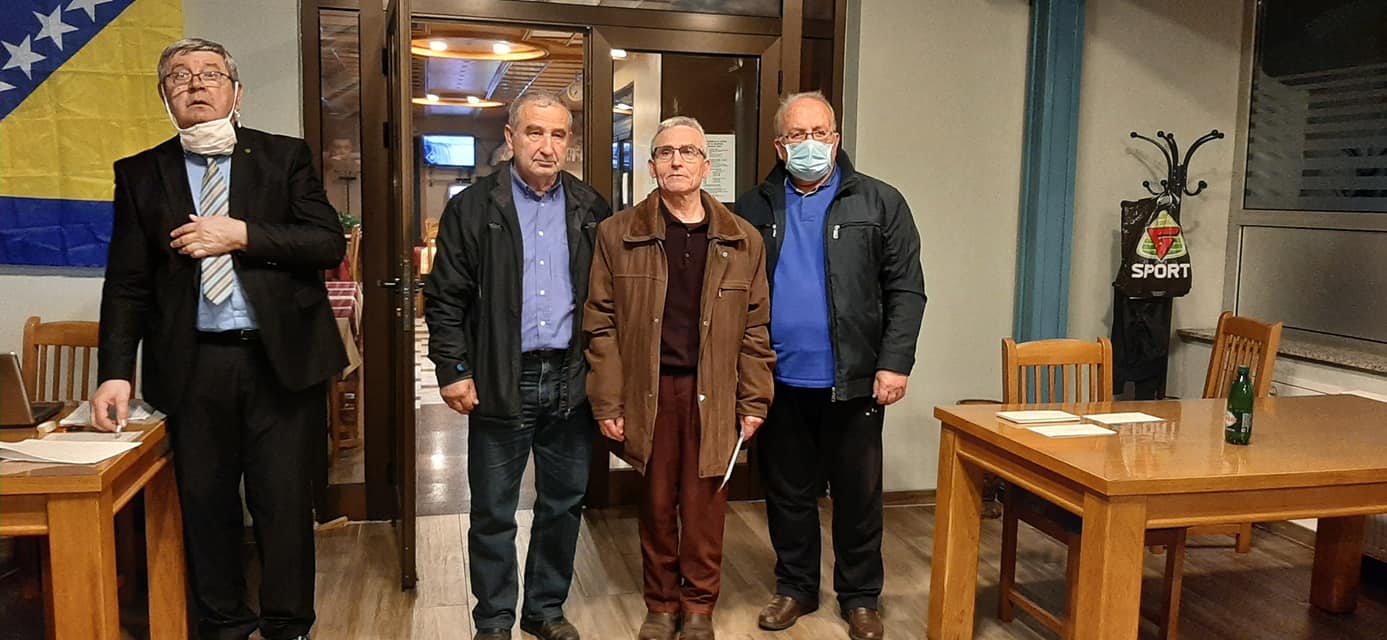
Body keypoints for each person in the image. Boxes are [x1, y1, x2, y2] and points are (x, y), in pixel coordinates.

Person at [92, 38, 347, 640]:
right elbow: (127, 283)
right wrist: (115, 372)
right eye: (179, 77)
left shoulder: (283, 156)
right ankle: (225, 624)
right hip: (192, 365)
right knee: (206, 507)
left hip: (279, 362)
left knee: (283, 505)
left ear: (237, 91)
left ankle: (288, 625)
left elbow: (325, 243)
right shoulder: (140, 173)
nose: (196, 84)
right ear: (165, 98)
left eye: (210, 74)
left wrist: (242, 235)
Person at [733, 91, 926, 640]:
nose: (810, 144)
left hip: (856, 379)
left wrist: (894, 363)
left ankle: (860, 596)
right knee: (787, 493)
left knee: (857, 495)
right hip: (778, 378)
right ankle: (795, 587)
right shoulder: (753, 208)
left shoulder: (880, 202)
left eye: (820, 133)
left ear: (836, 139)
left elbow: (906, 289)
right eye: (798, 135)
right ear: (780, 146)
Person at [423, 89, 612, 640]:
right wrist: (453, 369)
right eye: (535, 132)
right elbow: (445, 297)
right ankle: (494, 620)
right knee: (493, 511)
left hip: (570, 378)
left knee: (563, 504)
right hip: (500, 377)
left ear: (569, 143)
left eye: (558, 135)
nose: (547, 146)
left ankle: (545, 611)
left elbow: (606, 301)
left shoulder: (590, 208)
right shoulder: (473, 207)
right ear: (510, 138)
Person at [584, 116, 776, 640]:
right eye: (666, 152)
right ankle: (662, 603)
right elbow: (600, 324)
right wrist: (609, 401)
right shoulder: (617, 234)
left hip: (714, 390)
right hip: (650, 390)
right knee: (656, 502)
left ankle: (698, 606)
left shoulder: (743, 239)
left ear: (706, 166)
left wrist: (754, 400)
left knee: (705, 505)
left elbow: (756, 327)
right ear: (651, 167)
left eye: (688, 152)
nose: (676, 161)